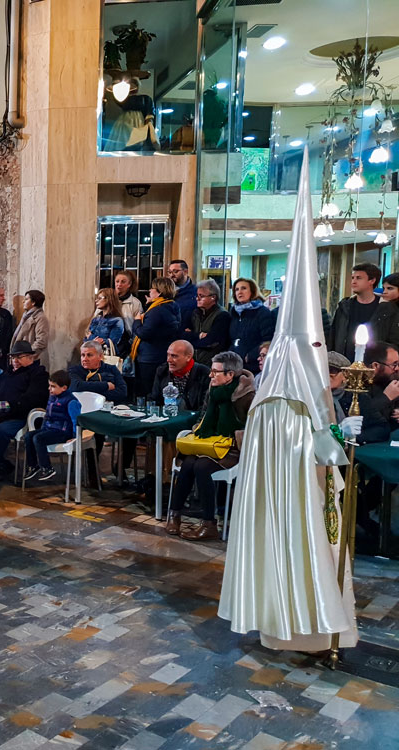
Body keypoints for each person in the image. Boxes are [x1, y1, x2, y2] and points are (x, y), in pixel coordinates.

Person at [220, 148, 356, 653]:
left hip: (295, 492)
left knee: (290, 541)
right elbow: (329, 458)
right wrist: (339, 446)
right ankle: (308, 628)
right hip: (301, 495)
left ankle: (286, 623)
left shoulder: (268, 398)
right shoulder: (301, 404)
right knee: (306, 544)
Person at [167, 351, 256, 540]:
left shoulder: (247, 396)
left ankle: (209, 523)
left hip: (232, 449)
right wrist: (198, 430)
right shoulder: (213, 390)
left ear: (230, 375)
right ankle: (175, 515)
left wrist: (235, 437)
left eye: (215, 372)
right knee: (188, 462)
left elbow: (253, 428)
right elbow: (203, 417)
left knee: (201, 466)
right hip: (209, 444)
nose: (210, 375)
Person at [0, 340, 49, 481]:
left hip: (21, 416)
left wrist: (2, 405)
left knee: (2, 431)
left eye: (19, 357)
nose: (15, 361)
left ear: (30, 357)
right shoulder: (9, 373)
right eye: (13, 357)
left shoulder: (38, 374)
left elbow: (31, 399)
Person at [329, 263, 399, 360]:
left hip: (373, 366)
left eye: (359, 278)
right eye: (353, 277)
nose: (353, 281)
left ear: (372, 280)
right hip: (344, 365)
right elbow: (333, 337)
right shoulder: (344, 306)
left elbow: (393, 341)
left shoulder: (388, 309)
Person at [130, 276, 181, 397]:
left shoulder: (157, 310)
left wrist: (137, 321)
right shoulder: (171, 306)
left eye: (152, 288)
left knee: (147, 390)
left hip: (149, 358)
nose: (149, 291)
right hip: (160, 354)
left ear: (159, 292)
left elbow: (144, 333)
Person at [339, 343, 399, 445]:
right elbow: (360, 418)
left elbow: (386, 426)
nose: (397, 369)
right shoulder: (354, 386)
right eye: (394, 364)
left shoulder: (392, 381)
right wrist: (386, 398)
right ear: (375, 366)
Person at [23, 370, 75, 482]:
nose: (49, 389)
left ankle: (47, 468)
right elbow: (47, 415)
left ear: (64, 388)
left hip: (63, 432)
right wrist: (43, 429)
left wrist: (75, 436)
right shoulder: (52, 397)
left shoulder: (71, 401)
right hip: (50, 429)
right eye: (49, 386)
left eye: (53, 386)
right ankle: (33, 465)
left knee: (38, 438)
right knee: (28, 436)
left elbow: (76, 420)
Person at [228, 277, 275, 373]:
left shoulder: (262, 312)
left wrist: (249, 356)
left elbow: (268, 339)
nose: (239, 292)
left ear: (252, 291)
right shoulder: (233, 313)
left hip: (254, 366)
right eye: (237, 289)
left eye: (243, 288)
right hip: (235, 366)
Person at [149, 340, 211, 412]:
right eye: (168, 355)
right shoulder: (162, 371)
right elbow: (154, 400)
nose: (169, 360)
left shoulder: (204, 373)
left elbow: (205, 407)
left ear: (188, 357)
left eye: (174, 356)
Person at [188, 279, 231, 366]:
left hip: (212, 363)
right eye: (197, 295)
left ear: (213, 297)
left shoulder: (222, 315)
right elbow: (183, 335)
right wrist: (199, 335)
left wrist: (191, 340)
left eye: (201, 296)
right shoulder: (195, 313)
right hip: (195, 362)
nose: (197, 299)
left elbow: (212, 342)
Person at [11, 289, 51, 362]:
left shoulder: (40, 318)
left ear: (33, 302)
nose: (23, 302)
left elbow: (41, 341)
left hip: (32, 359)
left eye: (26, 299)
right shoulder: (26, 316)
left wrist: (26, 354)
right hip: (21, 358)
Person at [83, 288, 124, 352]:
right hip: (91, 352)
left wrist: (92, 338)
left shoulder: (117, 320)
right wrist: (95, 340)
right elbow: (86, 338)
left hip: (105, 355)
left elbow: (112, 342)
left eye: (99, 298)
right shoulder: (96, 319)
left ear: (108, 299)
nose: (96, 301)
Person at [327, 351, 350, 422]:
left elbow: (380, 426)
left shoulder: (356, 399)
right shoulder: (310, 398)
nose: (326, 374)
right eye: (323, 369)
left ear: (345, 375)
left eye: (332, 370)